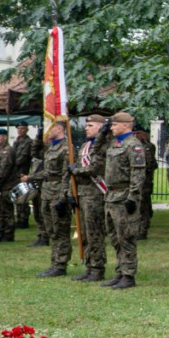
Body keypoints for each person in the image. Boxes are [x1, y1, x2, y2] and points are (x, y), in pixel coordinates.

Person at [101, 112, 147, 289]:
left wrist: (133, 197)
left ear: (126, 125)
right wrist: (102, 134)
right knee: (114, 237)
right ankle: (120, 271)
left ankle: (128, 274)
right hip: (111, 196)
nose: (112, 128)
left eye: (114, 125)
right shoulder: (115, 143)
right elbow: (98, 151)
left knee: (126, 237)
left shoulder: (133, 145)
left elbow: (137, 173)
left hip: (124, 195)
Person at [68, 116, 109, 282]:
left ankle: (98, 268)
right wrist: (72, 193)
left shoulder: (102, 147)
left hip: (95, 194)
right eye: (86, 125)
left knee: (94, 234)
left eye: (91, 125)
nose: (86, 128)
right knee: (84, 233)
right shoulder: (85, 146)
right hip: (83, 194)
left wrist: (76, 171)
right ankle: (89, 266)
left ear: (100, 128)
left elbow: (96, 168)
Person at [32, 118, 72, 277]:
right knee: (51, 229)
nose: (48, 129)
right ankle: (54, 262)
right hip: (47, 191)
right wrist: (39, 135)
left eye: (51, 126)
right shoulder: (51, 147)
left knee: (60, 229)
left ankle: (61, 264)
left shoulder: (65, 149)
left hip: (57, 192)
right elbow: (35, 153)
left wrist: (63, 196)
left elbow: (66, 175)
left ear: (60, 129)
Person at [134, 125, 157, 241]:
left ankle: (142, 230)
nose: (137, 136)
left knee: (143, 206)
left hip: (145, 182)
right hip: (136, 182)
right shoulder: (133, 146)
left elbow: (150, 164)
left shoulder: (148, 147)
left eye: (139, 133)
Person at [0, 128, 18, 243]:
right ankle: (2, 232)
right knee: (0, 210)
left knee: (7, 211)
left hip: (6, 185)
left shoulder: (8, 151)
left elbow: (5, 170)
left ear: (4, 137)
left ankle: (8, 234)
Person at [12, 124, 33, 229]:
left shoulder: (28, 143)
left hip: (23, 172)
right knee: (17, 197)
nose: (20, 130)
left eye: (22, 128)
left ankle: (24, 219)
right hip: (15, 173)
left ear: (27, 130)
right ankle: (20, 218)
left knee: (23, 197)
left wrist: (11, 165)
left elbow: (22, 158)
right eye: (18, 128)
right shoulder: (16, 142)